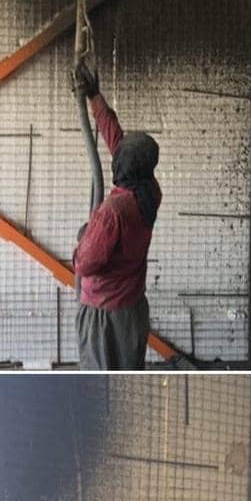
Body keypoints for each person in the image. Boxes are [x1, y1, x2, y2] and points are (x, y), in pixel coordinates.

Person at [72, 62, 161, 370]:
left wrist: (85, 237)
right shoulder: (149, 190)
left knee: (98, 380)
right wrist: (95, 98)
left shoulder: (111, 213)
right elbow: (117, 140)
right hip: (132, 309)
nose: (117, 152)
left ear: (123, 165)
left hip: (103, 316)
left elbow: (85, 263)